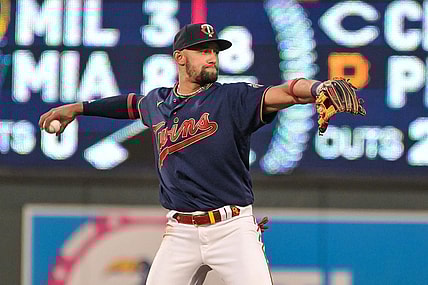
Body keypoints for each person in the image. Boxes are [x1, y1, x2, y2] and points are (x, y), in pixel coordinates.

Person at [39, 23, 322, 285]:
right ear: (180, 57)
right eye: (202, 50)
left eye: (214, 51)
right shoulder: (157, 102)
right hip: (181, 232)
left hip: (232, 229)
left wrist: (318, 88)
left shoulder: (233, 98)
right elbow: (129, 105)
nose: (211, 56)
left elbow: (287, 93)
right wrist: (77, 108)